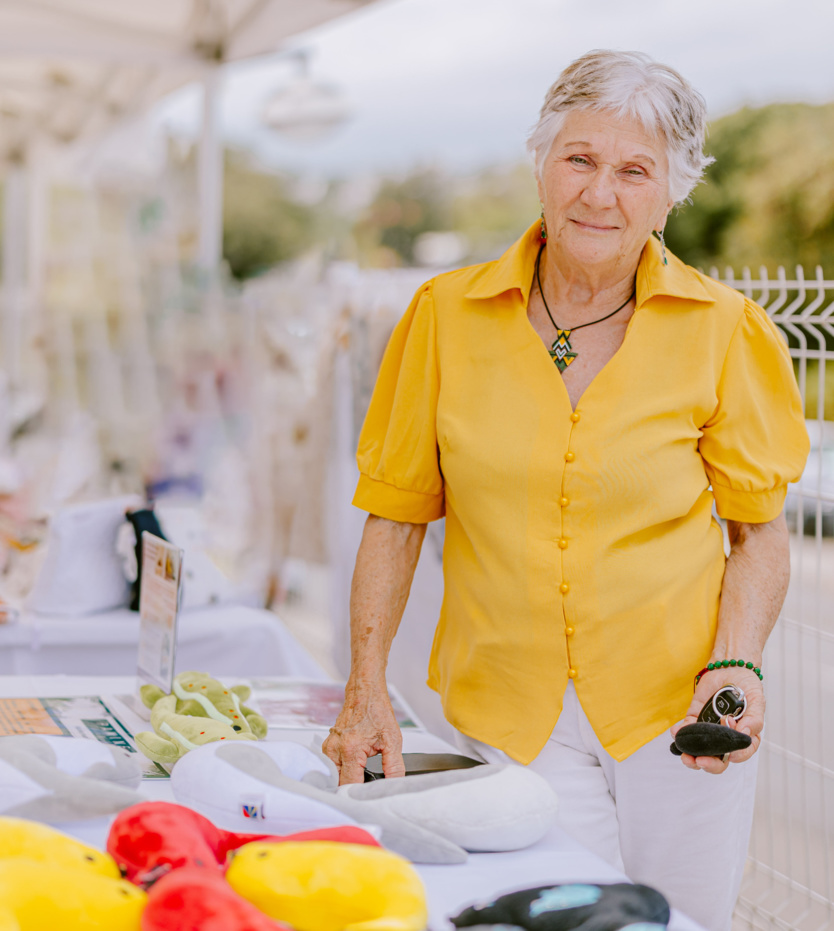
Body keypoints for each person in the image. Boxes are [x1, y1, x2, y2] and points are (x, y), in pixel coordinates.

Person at [322, 50, 809, 930]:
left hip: (678, 709)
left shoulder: (726, 330)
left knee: (682, 919)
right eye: (580, 158)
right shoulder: (444, 315)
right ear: (540, 161)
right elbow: (393, 516)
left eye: (635, 171)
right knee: (558, 918)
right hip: (512, 707)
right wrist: (365, 687)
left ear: (672, 193)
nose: (600, 193)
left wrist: (736, 662)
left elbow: (758, 532)